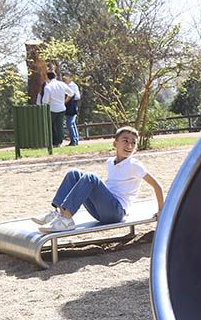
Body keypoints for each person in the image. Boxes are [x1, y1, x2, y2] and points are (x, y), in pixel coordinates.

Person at [33, 126, 164, 232]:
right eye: (125, 141)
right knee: (73, 173)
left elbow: (157, 186)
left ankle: (66, 219)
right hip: (101, 210)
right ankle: (57, 213)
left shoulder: (134, 165)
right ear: (115, 143)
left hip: (116, 212)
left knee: (91, 177)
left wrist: (161, 211)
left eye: (133, 143)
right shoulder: (110, 162)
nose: (129, 145)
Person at [37, 70, 70, 147]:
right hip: (61, 108)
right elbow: (71, 93)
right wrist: (64, 101)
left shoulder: (48, 87)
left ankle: (52, 142)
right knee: (59, 126)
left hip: (51, 109)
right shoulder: (62, 84)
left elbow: (45, 100)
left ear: (48, 78)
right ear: (56, 76)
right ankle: (59, 142)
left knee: (50, 126)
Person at [62, 73, 81, 146]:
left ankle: (74, 140)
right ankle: (75, 139)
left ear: (70, 78)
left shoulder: (73, 86)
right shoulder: (65, 85)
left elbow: (77, 96)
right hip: (68, 106)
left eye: (67, 77)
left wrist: (68, 100)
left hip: (72, 106)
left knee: (70, 123)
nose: (65, 78)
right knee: (72, 123)